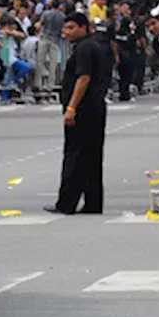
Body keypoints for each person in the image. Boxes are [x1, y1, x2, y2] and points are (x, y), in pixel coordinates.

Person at [46, 13, 111, 215]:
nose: (66, 33)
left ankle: (67, 202)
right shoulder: (93, 46)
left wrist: (71, 108)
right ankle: (93, 202)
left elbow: (83, 78)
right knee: (91, 156)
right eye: (65, 29)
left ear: (84, 28)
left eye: (71, 28)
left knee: (75, 156)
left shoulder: (85, 48)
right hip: (94, 107)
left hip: (84, 109)